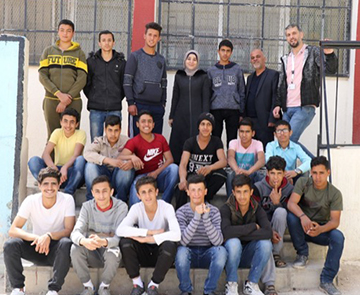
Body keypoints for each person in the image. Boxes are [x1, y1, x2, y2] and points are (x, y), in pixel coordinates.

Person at [3, 167, 75, 295]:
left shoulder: (67, 199)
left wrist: (48, 236)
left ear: (59, 185)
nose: (50, 187)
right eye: (45, 184)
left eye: (54, 183)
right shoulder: (31, 200)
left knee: (66, 243)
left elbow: (68, 230)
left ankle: (53, 290)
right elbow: (13, 230)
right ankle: (18, 288)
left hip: (56, 250)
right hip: (36, 247)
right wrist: (37, 238)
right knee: (10, 245)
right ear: (40, 186)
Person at [273, 24, 337, 157]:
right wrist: (278, 104)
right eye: (288, 35)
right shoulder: (286, 58)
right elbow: (281, 83)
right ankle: (310, 168)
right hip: (287, 109)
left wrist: (329, 53)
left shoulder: (313, 52)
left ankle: (316, 166)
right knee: (285, 142)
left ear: (301, 35)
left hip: (304, 107)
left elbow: (331, 70)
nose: (292, 37)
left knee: (287, 141)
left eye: (294, 33)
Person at [287, 156, 344, 295]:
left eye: (321, 173)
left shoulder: (335, 193)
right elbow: (291, 203)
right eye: (314, 173)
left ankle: (327, 280)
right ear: (310, 172)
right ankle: (302, 253)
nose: (317, 177)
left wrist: (320, 229)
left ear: (328, 173)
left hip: (321, 230)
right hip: (301, 227)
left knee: (338, 237)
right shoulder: (303, 182)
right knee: (291, 217)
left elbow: (335, 221)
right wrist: (303, 217)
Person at [116, 176, 180, 295]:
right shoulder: (136, 208)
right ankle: (137, 284)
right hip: (143, 251)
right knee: (125, 243)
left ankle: (153, 286)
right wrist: (147, 232)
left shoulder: (167, 207)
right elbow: (120, 230)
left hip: (160, 253)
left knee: (170, 245)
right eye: (143, 192)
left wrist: (151, 238)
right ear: (138, 196)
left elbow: (177, 234)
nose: (147, 196)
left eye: (150, 191)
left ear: (156, 192)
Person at [70, 176, 128, 295]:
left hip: (111, 251)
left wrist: (104, 241)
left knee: (113, 252)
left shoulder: (121, 207)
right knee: (75, 248)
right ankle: (88, 287)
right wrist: (84, 241)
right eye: (97, 191)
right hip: (92, 249)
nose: (101, 196)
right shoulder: (87, 206)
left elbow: (120, 237)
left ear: (111, 192)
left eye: (104, 191)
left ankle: (104, 287)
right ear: (92, 193)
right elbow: (75, 232)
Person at [221, 174, 276, 295]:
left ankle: (251, 283)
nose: (242, 196)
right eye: (238, 192)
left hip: (248, 254)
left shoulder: (257, 208)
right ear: (233, 192)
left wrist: (237, 233)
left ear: (251, 192)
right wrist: (252, 227)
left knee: (266, 244)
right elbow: (226, 232)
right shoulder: (226, 208)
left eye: (245, 192)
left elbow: (267, 232)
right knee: (233, 243)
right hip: (231, 256)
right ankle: (231, 284)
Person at [175, 174, 227, 295]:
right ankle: (186, 291)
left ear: (205, 191)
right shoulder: (181, 212)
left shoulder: (214, 211)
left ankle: (209, 291)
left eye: (200, 190)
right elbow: (182, 241)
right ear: (187, 192)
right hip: (189, 252)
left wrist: (206, 219)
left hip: (208, 253)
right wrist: (197, 217)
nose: (196, 194)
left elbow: (218, 242)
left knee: (221, 251)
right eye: (193, 190)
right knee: (180, 251)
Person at [39, 19, 87, 138]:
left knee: (73, 136)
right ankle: (51, 157)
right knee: (53, 136)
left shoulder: (79, 53)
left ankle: (73, 158)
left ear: (73, 33)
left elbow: (82, 78)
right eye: (62, 30)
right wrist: (59, 94)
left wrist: (67, 98)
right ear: (58, 32)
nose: (65, 33)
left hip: (73, 101)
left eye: (68, 31)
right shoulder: (48, 51)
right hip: (51, 100)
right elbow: (42, 76)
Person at [120, 110, 178, 207]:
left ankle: (165, 205)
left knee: (174, 168)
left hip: (159, 176)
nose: (146, 124)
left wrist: (156, 173)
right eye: (143, 121)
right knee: (136, 186)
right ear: (137, 124)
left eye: (149, 121)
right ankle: (135, 216)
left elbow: (170, 160)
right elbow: (120, 157)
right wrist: (132, 157)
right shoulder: (134, 141)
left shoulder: (160, 138)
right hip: (142, 177)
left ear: (153, 124)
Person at [28, 108, 86, 196]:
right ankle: (47, 185)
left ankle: (68, 192)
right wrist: (53, 168)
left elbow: (76, 155)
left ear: (77, 124)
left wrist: (65, 168)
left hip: (72, 174)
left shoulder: (81, 134)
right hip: (56, 173)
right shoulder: (57, 132)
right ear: (61, 122)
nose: (68, 125)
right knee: (33, 161)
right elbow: (46, 153)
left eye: (72, 122)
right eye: (65, 121)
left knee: (81, 160)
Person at [124, 22, 167, 137]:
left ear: (159, 38)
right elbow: (127, 81)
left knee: (156, 142)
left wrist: (163, 103)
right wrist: (131, 103)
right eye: (150, 35)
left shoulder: (161, 59)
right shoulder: (135, 56)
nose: (152, 38)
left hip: (157, 107)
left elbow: (164, 83)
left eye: (155, 36)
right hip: (139, 105)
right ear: (144, 36)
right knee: (136, 142)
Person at [176, 112, 227, 209]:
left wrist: (210, 168)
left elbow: (223, 161)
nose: (205, 127)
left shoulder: (216, 141)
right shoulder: (190, 142)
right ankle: (179, 213)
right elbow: (183, 164)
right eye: (203, 124)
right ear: (198, 126)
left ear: (212, 128)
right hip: (192, 175)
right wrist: (183, 179)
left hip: (207, 177)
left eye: (209, 124)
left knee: (221, 174)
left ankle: (206, 199)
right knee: (180, 185)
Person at [168, 50, 211, 164]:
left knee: (195, 143)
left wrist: (205, 118)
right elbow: (175, 97)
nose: (191, 61)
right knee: (178, 144)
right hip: (181, 116)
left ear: (197, 62)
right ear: (185, 60)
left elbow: (206, 98)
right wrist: (172, 116)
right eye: (189, 59)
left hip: (197, 116)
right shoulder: (179, 76)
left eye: (194, 59)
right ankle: (177, 170)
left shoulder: (203, 76)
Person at [83, 30, 126, 141]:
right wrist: (93, 97)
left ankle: (113, 160)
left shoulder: (121, 62)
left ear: (113, 43)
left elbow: (124, 84)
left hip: (114, 108)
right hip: (96, 109)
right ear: (99, 43)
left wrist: (116, 97)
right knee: (96, 142)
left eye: (109, 40)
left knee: (114, 142)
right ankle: (96, 160)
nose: (106, 43)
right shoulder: (91, 62)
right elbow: (86, 84)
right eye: (103, 40)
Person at [253, 156, 294, 268]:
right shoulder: (258, 187)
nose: (275, 177)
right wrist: (269, 231)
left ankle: (276, 254)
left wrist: (277, 203)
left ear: (284, 173)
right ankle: (266, 253)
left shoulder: (290, 189)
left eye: (279, 173)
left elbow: (289, 214)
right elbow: (255, 213)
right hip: (262, 226)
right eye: (272, 173)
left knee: (281, 211)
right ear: (267, 173)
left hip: (279, 226)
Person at [84, 115, 134, 201]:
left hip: (119, 176)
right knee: (90, 166)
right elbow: (87, 153)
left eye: (116, 131)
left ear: (120, 130)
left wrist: (131, 163)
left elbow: (137, 159)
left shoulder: (127, 141)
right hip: (103, 175)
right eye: (110, 130)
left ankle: (121, 200)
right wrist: (107, 160)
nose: (113, 134)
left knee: (127, 168)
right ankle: (92, 200)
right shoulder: (99, 141)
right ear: (105, 130)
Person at [207, 39, 246, 147]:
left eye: (228, 51)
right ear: (218, 51)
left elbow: (242, 91)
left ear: (231, 52)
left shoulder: (237, 69)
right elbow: (208, 92)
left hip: (233, 109)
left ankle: (230, 161)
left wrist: (241, 112)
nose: (225, 53)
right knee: (215, 138)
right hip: (215, 109)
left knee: (232, 139)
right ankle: (217, 161)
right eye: (223, 50)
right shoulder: (211, 71)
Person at [244, 49, 279, 149]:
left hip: (264, 121)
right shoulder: (250, 78)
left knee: (265, 150)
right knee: (251, 151)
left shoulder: (273, 75)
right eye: (252, 58)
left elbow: (275, 96)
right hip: (250, 121)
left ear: (264, 59)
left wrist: (272, 118)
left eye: (258, 56)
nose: (255, 59)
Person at [226, 118, 265, 196]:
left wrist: (249, 171)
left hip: (251, 173)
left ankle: (259, 201)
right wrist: (237, 170)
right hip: (237, 173)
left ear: (253, 133)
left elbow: (262, 160)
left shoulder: (258, 143)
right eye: (241, 131)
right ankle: (231, 201)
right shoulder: (233, 142)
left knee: (262, 174)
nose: (244, 135)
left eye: (247, 132)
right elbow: (230, 158)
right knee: (230, 173)